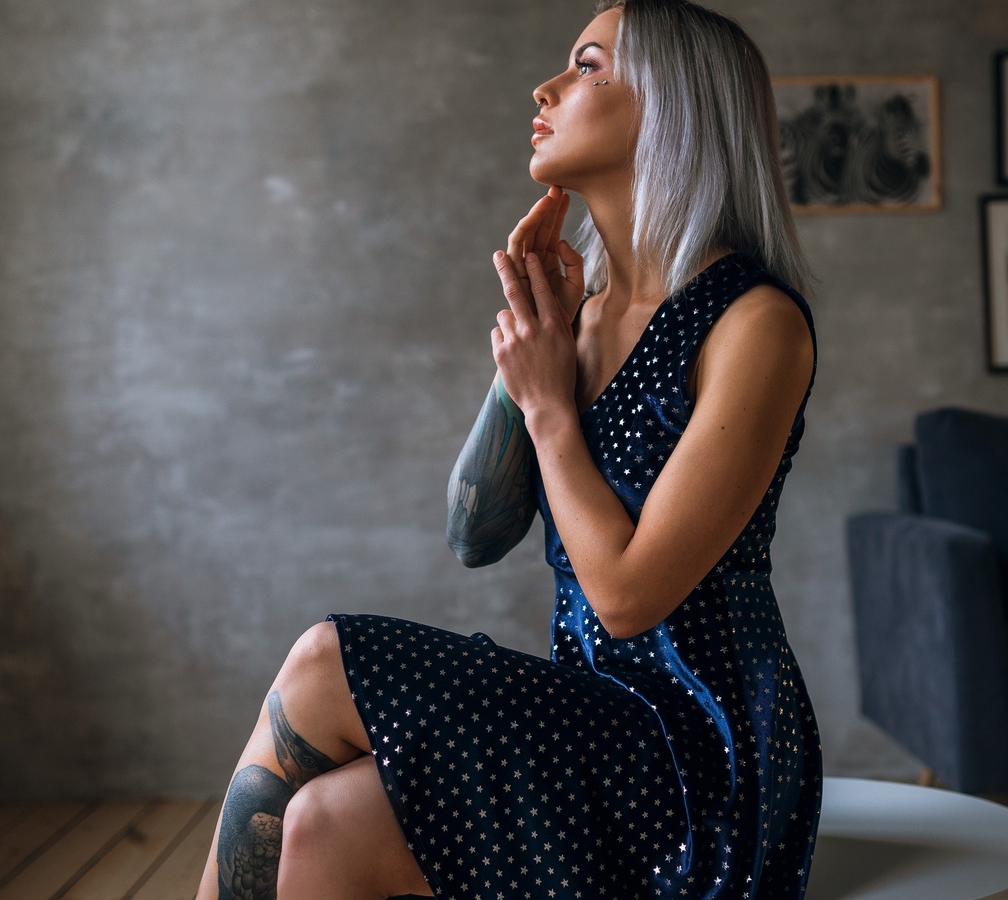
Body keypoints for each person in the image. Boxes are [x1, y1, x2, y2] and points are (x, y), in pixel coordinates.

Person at [196, 1, 821, 897]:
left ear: (674, 106)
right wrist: (531, 355)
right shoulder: (585, 319)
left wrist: (548, 408)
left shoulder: (755, 323)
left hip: (695, 762)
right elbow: (472, 534)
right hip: (593, 724)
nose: (548, 86)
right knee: (321, 821)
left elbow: (629, 599)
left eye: (590, 65)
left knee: (325, 657)